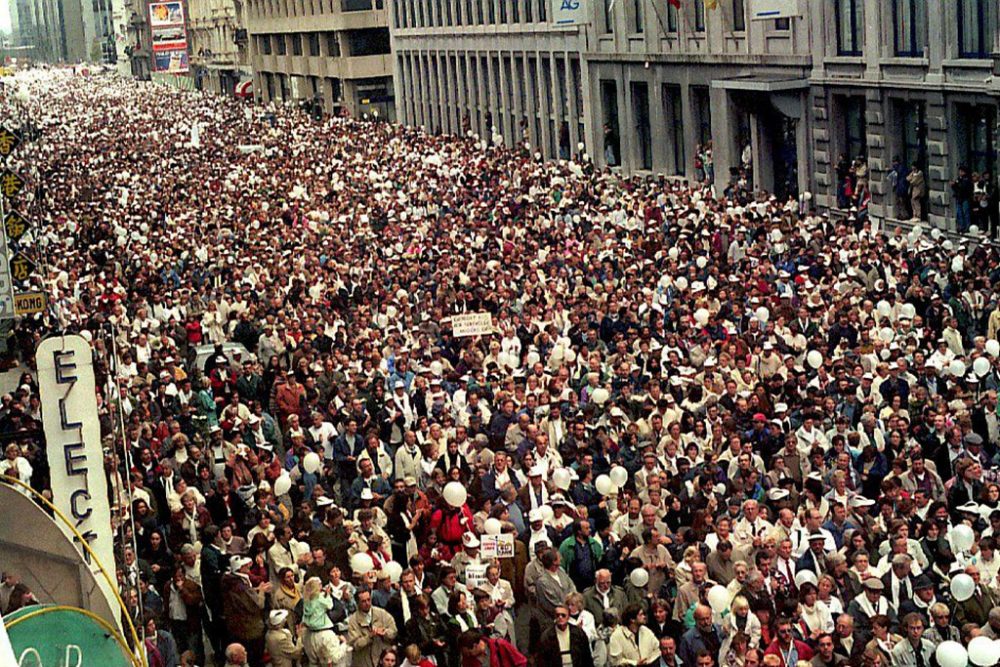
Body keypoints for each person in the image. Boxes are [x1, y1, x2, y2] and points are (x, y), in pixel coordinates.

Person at [347, 588, 398, 667]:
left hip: (383, 661)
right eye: (363, 601)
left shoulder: (382, 613)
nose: (367, 603)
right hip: (363, 662)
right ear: (357, 603)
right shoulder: (353, 621)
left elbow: (394, 632)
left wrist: (385, 632)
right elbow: (355, 644)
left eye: (368, 600)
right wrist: (369, 636)